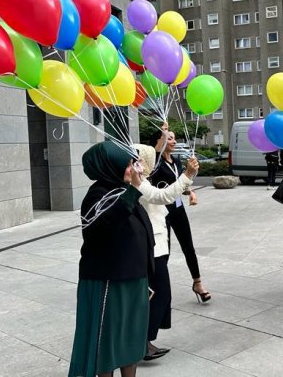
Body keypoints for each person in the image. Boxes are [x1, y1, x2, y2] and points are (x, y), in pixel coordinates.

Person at [69, 142, 152, 377]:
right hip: (110, 280)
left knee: (132, 339)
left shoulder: (122, 189)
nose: (132, 168)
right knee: (107, 343)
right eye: (127, 164)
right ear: (110, 166)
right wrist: (133, 192)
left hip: (134, 278)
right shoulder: (97, 194)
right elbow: (101, 229)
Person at [132, 144, 198, 361]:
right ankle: (143, 343)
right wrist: (188, 175)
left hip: (157, 247)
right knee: (158, 295)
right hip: (152, 250)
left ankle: (145, 342)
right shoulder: (138, 184)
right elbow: (162, 196)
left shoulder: (142, 181)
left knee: (157, 295)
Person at [151, 125, 210, 302]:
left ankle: (198, 283)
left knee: (188, 246)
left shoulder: (176, 161)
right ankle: (157, 287)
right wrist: (162, 131)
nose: (174, 141)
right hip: (161, 211)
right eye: (169, 138)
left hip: (177, 208)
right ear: (160, 141)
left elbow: (180, 184)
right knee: (164, 251)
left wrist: (190, 192)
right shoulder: (154, 162)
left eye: (174, 138)